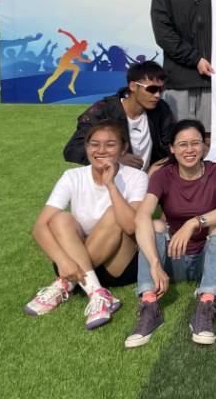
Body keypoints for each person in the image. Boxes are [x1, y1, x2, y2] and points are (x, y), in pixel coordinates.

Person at [124, 120, 216, 348]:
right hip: (173, 259)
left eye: (195, 143)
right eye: (183, 144)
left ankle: (206, 304)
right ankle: (149, 305)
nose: (189, 149)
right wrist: (155, 264)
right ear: (172, 149)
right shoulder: (162, 176)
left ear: (204, 146)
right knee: (154, 224)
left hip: (208, 261)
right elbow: (142, 216)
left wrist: (194, 223)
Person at [25, 121, 148, 330]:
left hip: (117, 265)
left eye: (110, 144)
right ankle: (96, 291)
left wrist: (111, 185)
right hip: (71, 263)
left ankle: (66, 283)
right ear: (86, 147)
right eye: (94, 144)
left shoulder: (137, 177)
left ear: (123, 148)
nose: (101, 150)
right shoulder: (72, 176)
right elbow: (39, 227)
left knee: (114, 213)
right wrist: (62, 261)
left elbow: (130, 227)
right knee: (60, 218)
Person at [150, 0, 214, 128]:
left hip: (213, 80)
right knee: (178, 136)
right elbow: (163, 34)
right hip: (178, 80)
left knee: (210, 138)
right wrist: (196, 59)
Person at [63, 60, 175, 171]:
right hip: (110, 177)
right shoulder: (103, 111)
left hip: (147, 179)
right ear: (133, 86)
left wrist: (158, 169)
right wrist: (115, 158)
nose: (157, 95)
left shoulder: (161, 109)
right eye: (152, 89)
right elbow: (73, 149)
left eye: (161, 90)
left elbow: (171, 146)